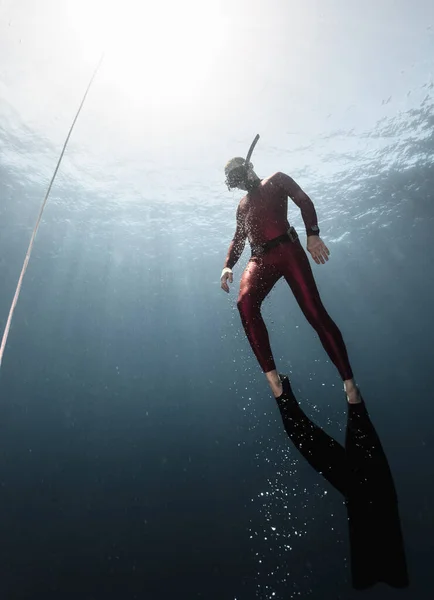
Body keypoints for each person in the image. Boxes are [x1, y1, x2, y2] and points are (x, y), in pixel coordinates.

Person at [220, 156, 361, 404]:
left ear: (250, 166)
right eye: (235, 182)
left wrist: (313, 234)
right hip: (259, 259)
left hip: (289, 250)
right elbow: (239, 238)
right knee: (244, 303)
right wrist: (227, 266)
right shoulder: (242, 206)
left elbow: (303, 200)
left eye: (240, 175)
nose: (241, 183)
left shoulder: (276, 179)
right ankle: (274, 381)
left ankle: (349, 383)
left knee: (314, 312)